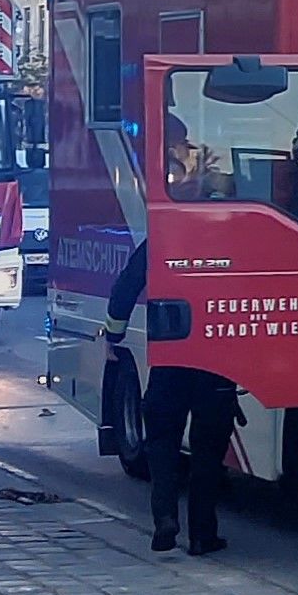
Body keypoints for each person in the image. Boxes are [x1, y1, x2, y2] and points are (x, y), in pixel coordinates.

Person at [106, 236, 229, 555]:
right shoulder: (231, 234)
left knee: (161, 444)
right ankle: (203, 534)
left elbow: (127, 286)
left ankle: (165, 519)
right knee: (209, 451)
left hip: (170, 358)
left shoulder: (162, 236)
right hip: (218, 361)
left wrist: (114, 336)